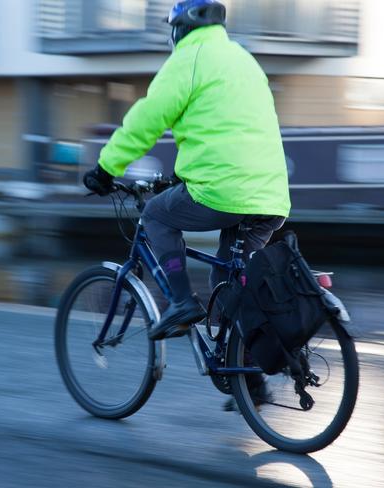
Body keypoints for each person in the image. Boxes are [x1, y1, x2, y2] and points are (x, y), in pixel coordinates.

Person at [84, 0, 291, 342]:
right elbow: (228, 125)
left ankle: (180, 301)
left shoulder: (188, 59)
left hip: (223, 190)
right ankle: (249, 382)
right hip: (270, 196)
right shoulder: (244, 59)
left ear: (180, 29)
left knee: (156, 215)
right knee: (229, 287)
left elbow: (147, 120)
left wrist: (106, 168)